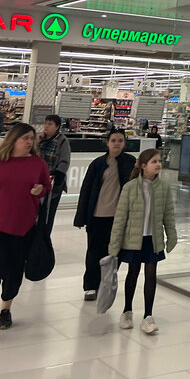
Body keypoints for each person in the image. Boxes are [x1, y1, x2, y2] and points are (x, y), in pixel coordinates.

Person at [0, 123, 51, 328]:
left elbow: (46, 187)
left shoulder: (38, 164)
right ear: (13, 140)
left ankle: (5, 309)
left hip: (23, 228)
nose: (30, 142)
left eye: (32, 138)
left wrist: (40, 190)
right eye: (25, 138)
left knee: (13, 271)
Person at [108, 148, 176, 334]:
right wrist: (114, 244)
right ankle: (127, 311)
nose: (158, 164)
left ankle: (148, 315)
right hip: (133, 239)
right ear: (143, 165)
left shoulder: (164, 188)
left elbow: (168, 215)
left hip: (153, 239)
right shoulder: (130, 188)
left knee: (151, 275)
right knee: (133, 272)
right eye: (154, 161)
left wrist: (171, 235)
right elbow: (120, 218)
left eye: (159, 161)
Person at [73, 129, 136, 302]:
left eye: (120, 140)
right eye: (113, 140)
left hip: (119, 217)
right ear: (107, 142)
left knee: (115, 252)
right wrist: (80, 217)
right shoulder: (97, 164)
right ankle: (90, 285)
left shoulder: (130, 162)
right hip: (97, 215)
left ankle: (106, 283)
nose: (117, 144)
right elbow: (86, 190)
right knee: (94, 251)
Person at [36, 114, 71, 235]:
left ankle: (44, 236)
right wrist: (37, 140)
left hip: (53, 182)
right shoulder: (40, 139)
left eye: (50, 124)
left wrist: (58, 177)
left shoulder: (62, 141)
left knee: (48, 212)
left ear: (57, 127)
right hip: (38, 181)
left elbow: (64, 161)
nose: (46, 126)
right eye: (45, 123)